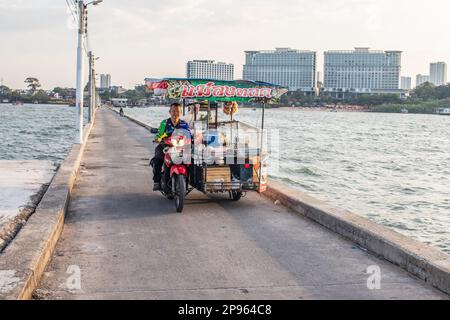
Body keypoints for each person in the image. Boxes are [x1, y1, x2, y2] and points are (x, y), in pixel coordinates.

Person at [151, 103, 191, 191]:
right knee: (158, 160)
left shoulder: (184, 124)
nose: (175, 113)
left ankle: (189, 180)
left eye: (177, 111)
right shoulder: (164, 123)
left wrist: (194, 138)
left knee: (192, 161)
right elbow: (159, 134)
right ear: (170, 112)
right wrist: (158, 138)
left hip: (180, 147)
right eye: (173, 111)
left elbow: (189, 135)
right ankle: (157, 181)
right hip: (165, 146)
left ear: (180, 112)